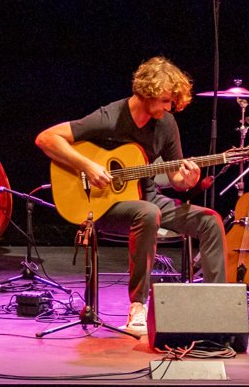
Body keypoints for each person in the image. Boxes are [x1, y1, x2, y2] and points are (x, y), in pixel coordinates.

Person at [35, 56, 229, 336]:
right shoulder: (110, 117)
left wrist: (188, 179)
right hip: (104, 206)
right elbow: (46, 138)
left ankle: (220, 310)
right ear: (147, 92)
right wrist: (87, 165)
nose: (169, 107)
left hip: (149, 197)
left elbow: (175, 176)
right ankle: (138, 305)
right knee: (147, 213)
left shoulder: (166, 124)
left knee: (210, 220)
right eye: (165, 100)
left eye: (172, 102)